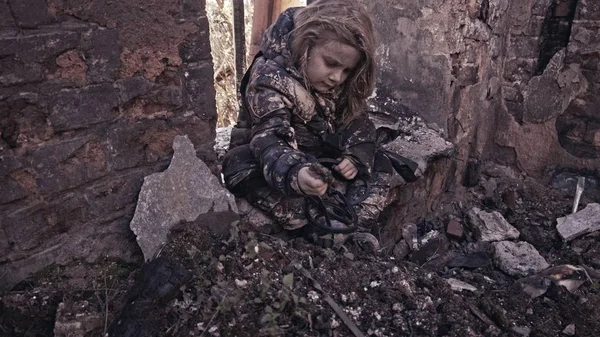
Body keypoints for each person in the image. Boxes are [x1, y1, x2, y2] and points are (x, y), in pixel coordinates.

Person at [222, 0, 397, 250]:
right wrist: (297, 174)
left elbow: (358, 122)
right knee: (238, 164)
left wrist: (356, 156)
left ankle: (353, 226)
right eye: (331, 63)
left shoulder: (338, 82)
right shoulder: (270, 79)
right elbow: (270, 140)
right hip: (273, 160)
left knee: (378, 161)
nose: (337, 77)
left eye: (347, 70)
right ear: (306, 46)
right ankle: (309, 227)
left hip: (318, 158)